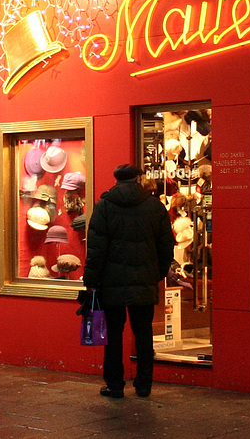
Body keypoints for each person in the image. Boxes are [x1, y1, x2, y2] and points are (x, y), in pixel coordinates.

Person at [83, 164, 175, 399]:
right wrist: (158, 273)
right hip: (144, 279)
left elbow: (96, 248)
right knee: (143, 333)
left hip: (110, 281)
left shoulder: (104, 206)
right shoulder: (154, 206)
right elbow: (166, 246)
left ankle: (114, 385)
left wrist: (91, 280)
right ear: (138, 179)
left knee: (113, 334)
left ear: (116, 180)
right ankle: (144, 385)